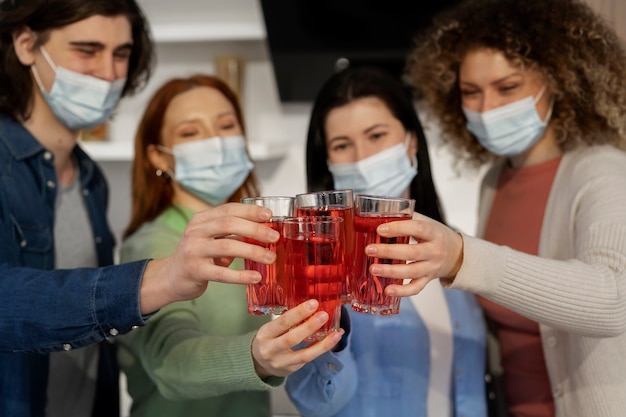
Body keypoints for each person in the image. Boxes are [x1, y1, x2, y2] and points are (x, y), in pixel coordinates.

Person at [0, 1, 285, 416]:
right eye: (87, 49)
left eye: (121, 54)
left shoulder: (89, 180)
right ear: (26, 44)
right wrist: (160, 279)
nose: (110, 73)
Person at [366, 1, 626, 416]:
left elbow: (614, 300)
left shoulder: (602, 171)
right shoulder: (495, 181)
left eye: (508, 88)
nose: (488, 108)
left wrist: (463, 256)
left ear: (557, 79)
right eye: (471, 92)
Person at [116, 73, 342, 417]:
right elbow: (170, 363)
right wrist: (255, 357)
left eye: (226, 126)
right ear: (159, 158)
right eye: (190, 133)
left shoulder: (259, 234)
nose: (216, 142)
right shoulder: (153, 243)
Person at [285, 66, 487, 417]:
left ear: (411, 141)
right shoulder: (317, 265)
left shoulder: (455, 248)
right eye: (342, 145)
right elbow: (315, 401)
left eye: (376, 135)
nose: (362, 158)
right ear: (328, 163)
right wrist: (328, 330)